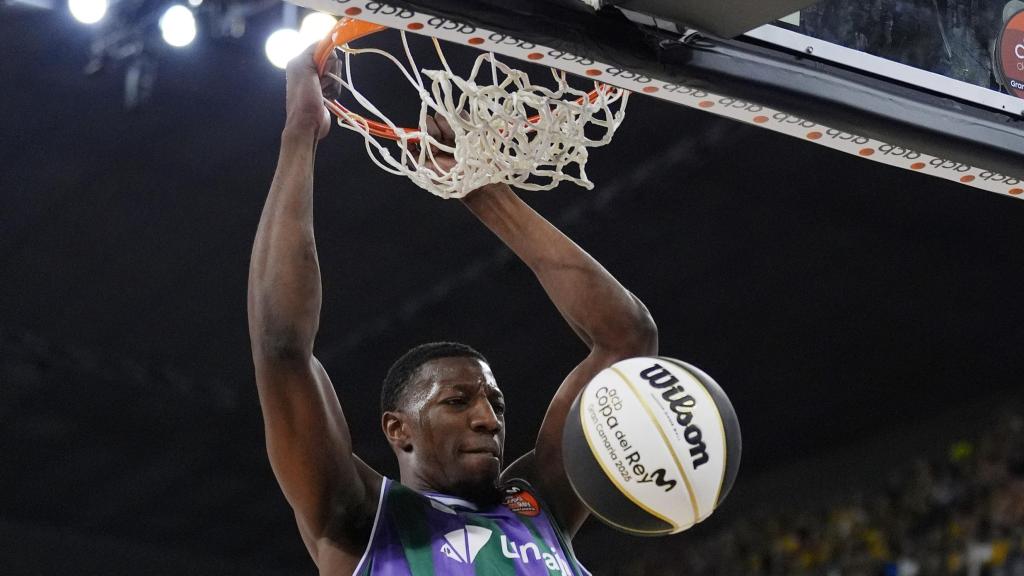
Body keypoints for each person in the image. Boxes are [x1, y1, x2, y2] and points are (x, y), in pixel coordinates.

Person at [247, 43, 658, 575]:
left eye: (495, 404)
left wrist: (478, 188)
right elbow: (280, 347)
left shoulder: (539, 505)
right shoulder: (362, 517)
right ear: (399, 430)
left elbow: (628, 339)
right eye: (457, 402)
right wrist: (300, 133)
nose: (488, 420)